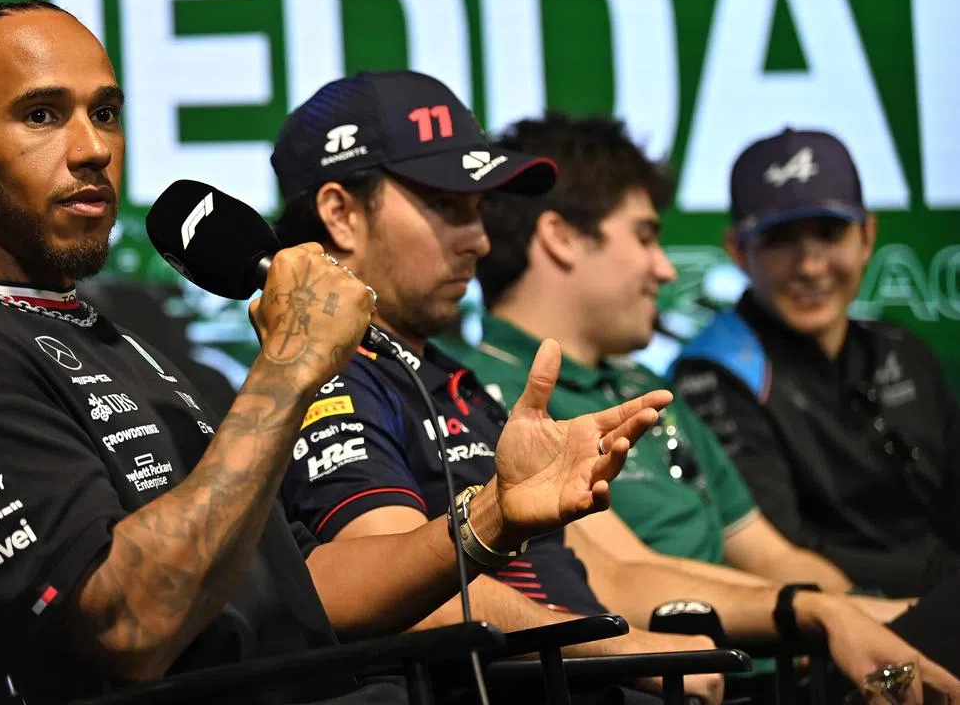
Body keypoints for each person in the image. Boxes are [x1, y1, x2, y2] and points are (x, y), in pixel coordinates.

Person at [0, 0, 669, 705]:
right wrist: (288, 365)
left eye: (104, 112)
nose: (92, 147)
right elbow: (128, 624)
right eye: (41, 114)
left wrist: (491, 514)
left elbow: (305, 584)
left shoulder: (112, 339)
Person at [272, 81, 960, 703]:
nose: (479, 240)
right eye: (447, 207)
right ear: (340, 213)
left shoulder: (461, 386)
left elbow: (614, 574)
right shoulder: (323, 373)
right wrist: (616, 643)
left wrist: (815, 610)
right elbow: (392, 594)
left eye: (479, 210)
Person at [457, 112, 960, 675]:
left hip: (784, 662)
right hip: (687, 679)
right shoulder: (481, 395)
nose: (667, 269)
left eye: (830, 232)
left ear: (868, 236)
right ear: (562, 238)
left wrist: (869, 616)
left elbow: (774, 557)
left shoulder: (646, 385)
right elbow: (621, 575)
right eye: (646, 236)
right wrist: (825, 613)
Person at [671, 128, 960, 607]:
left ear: (868, 235)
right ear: (739, 252)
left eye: (829, 233)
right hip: (831, 633)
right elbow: (777, 552)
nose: (809, 266)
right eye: (780, 239)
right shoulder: (713, 373)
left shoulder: (903, 351)